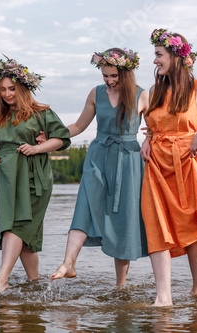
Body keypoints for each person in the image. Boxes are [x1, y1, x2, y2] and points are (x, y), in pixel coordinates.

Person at [49, 48, 149, 287]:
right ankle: (68, 263)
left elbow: (155, 128)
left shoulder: (142, 96)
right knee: (84, 204)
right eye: (105, 75)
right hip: (98, 155)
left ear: (126, 73)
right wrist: (53, 136)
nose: (110, 80)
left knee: (124, 219)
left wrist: (150, 139)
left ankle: (120, 286)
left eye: (114, 75)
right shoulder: (96, 93)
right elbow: (78, 126)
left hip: (129, 161)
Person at [140, 29, 197, 306]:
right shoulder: (154, 91)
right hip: (156, 166)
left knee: (192, 225)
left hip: (188, 163)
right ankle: (163, 296)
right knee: (157, 224)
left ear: (176, 56)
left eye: (158, 55)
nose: (155, 61)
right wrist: (147, 140)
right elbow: (152, 127)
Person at [0, 56, 71, 291]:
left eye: (12, 89)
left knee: (16, 227)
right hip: (6, 178)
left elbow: (62, 139)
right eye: (3, 90)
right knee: (26, 240)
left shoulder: (41, 113)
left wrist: (38, 147)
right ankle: (36, 285)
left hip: (33, 177)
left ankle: (1, 281)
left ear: (22, 88)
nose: (8, 94)